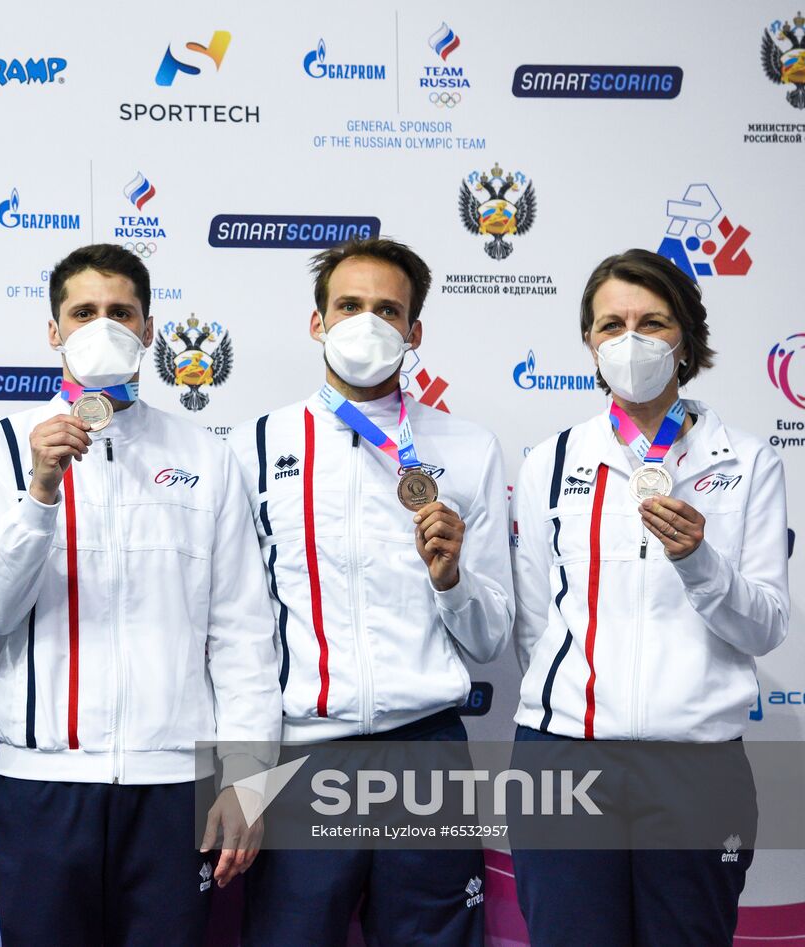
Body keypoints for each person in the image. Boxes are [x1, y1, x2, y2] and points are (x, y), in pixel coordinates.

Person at [0, 242, 281, 946]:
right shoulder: (2, 448)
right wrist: (41, 489)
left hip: (174, 792)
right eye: (83, 312)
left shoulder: (203, 455)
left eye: (120, 311)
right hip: (42, 787)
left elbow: (243, 634)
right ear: (53, 331)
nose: (102, 326)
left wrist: (251, 781)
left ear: (148, 329)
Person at [233, 238, 514, 946]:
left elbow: (489, 638)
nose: (367, 323)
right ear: (317, 322)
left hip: (426, 753)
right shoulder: (253, 447)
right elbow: (233, 630)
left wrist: (451, 580)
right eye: (349, 305)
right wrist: (238, 774)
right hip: (301, 757)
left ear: (415, 332)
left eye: (387, 310)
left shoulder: (469, 447)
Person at [510, 248, 789, 945]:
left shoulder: (747, 461)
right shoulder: (551, 460)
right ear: (589, 342)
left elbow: (765, 626)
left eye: (652, 322)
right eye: (612, 324)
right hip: (564, 759)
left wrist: (700, 561)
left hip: (697, 764)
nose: (630, 341)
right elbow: (538, 624)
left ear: (686, 340)